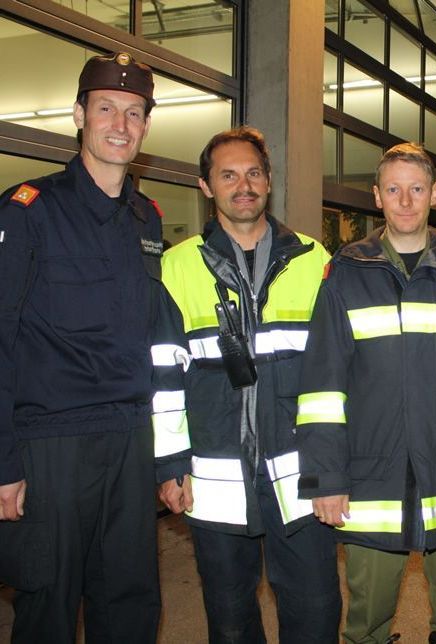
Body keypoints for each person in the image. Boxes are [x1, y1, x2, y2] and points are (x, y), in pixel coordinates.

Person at [296, 142, 436, 644]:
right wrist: (326, 477)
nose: (405, 201)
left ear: (434, 193)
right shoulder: (346, 274)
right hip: (370, 479)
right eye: (393, 189)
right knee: (367, 618)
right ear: (377, 196)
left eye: (416, 189)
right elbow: (321, 388)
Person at [152, 126, 341, 642]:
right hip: (215, 479)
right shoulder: (176, 266)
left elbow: (337, 370)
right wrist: (170, 465)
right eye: (228, 175)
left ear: (269, 180)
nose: (244, 185)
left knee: (315, 613)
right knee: (231, 621)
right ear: (206, 187)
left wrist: (336, 465)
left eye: (254, 172)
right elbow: (163, 376)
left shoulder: (312, 259)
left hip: (302, 475)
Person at [0, 52, 162, 642]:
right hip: (52, 442)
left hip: (128, 438)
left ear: (146, 127)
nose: (120, 123)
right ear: (78, 115)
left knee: (131, 599)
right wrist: (3, 463)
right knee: (48, 601)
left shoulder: (146, 220)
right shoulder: (29, 210)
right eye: (105, 109)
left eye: (134, 112)